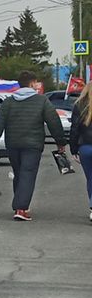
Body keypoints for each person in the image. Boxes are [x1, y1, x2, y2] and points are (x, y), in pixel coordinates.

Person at [0, 70, 69, 221]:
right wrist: (60, 142)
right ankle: (21, 208)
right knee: (28, 173)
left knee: (19, 173)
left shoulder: (9, 102)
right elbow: (53, 121)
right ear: (31, 83)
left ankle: (20, 203)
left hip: (13, 144)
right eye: (36, 83)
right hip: (33, 144)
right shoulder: (42, 101)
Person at [68, 87, 92, 222]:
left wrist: (73, 149)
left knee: (90, 179)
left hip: (85, 147)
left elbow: (74, 129)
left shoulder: (79, 105)